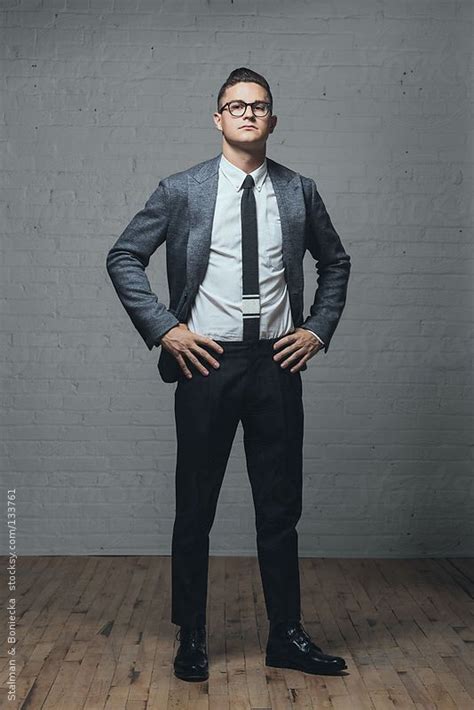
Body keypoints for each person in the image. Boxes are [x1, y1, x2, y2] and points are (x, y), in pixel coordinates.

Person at [106, 67, 351, 682]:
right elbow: (124, 256)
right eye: (235, 105)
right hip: (206, 362)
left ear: (272, 120)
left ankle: (286, 635)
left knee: (279, 509)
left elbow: (335, 262)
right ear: (217, 118)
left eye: (258, 105)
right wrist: (165, 327)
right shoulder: (182, 189)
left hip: (274, 363)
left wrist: (317, 328)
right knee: (196, 507)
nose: (247, 113)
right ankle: (192, 634)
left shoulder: (299, 191)